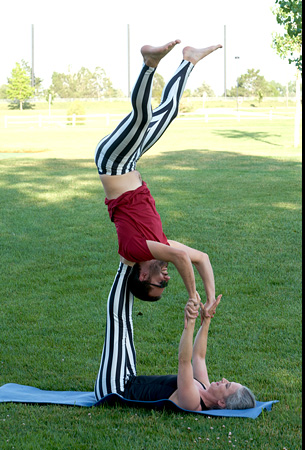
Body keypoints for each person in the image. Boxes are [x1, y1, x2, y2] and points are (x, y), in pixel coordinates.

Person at [94, 40, 223, 401]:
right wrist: (209, 299)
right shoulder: (159, 244)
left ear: (142, 273)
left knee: (142, 118)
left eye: (158, 282)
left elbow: (182, 261)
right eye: (166, 282)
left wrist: (192, 296)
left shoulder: (135, 249)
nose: (164, 278)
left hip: (112, 162)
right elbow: (200, 257)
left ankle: (149, 65)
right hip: (130, 162)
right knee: (167, 113)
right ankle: (188, 63)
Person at [95, 288, 256, 410]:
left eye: (226, 386)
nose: (224, 380)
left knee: (118, 317)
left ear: (221, 403)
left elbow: (184, 361)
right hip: (128, 379)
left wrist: (190, 321)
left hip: (114, 390)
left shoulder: (192, 401)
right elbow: (198, 356)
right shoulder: (204, 387)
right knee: (124, 322)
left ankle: (126, 263)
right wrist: (206, 320)